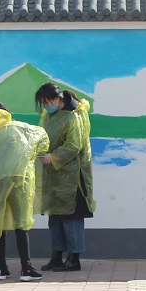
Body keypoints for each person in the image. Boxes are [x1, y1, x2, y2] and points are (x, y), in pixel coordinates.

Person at [0, 102, 49, 281]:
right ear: (7, 114)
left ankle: (2, 269)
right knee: (21, 224)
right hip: (18, 179)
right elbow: (42, 137)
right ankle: (26, 268)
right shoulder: (18, 128)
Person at [35, 82, 95, 272]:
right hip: (54, 175)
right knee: (55, 216)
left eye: (48, 102)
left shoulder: (73, 116)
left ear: (57, 98)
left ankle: (73, 258)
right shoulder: (49, 115)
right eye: (43, 103)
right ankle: (56, 256)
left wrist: (53, 157)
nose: (46, 106)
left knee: (71, 217)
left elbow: (74, 145)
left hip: (73, 176)